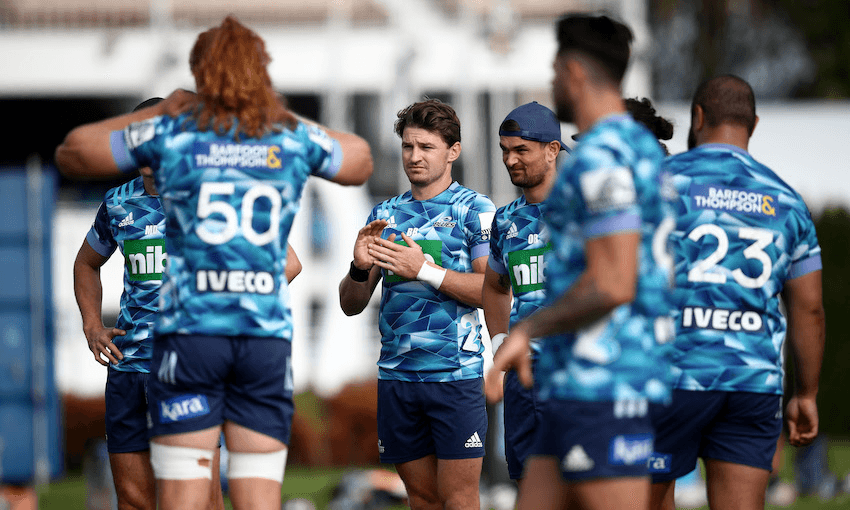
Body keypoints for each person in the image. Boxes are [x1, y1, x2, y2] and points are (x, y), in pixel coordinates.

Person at [56, 14, 373, 510]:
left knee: (189, 498)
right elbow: (359, 161)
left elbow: (75, 152)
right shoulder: (280, 140)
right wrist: (279, 115)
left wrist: (166, 116)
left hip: (193, 341)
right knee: (251, 498)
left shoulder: (181, 142)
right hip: (257, 342)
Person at [485, 13, 675, 510]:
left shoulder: (603, 156)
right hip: (577, 380)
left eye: (553, 71)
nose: (552, 82)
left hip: (606, 380)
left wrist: (526, 330)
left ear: (572, 72)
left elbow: (613, 282)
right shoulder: (641, 150)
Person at [647, 75, 825, 510]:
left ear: (698, 116)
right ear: (754, 124)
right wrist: (807, 395)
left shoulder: (657, 182)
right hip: (752, 380)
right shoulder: (787, 200)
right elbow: (811, 309)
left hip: (670, 375)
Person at [338, 98, 496, 510]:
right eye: (408, 146)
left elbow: (490, 291)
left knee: (459, 499)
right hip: (398, 379)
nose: (414, 156)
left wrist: (423, 270)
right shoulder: (385, 214)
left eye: (426, 147)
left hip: (454, 377)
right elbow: (351, 305)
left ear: (453, 152)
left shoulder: (474, 210)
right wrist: (359, 268)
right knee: (422, 499)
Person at [480, 101, 566, 486]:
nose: (510, 160)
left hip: (572, 376)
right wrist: (500, 343)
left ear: (552, 150)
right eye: (504, 150)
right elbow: (495, 288)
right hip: (523, 381)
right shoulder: (505, 219)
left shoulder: (584, 211)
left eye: (521, 150)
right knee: (530, 489)